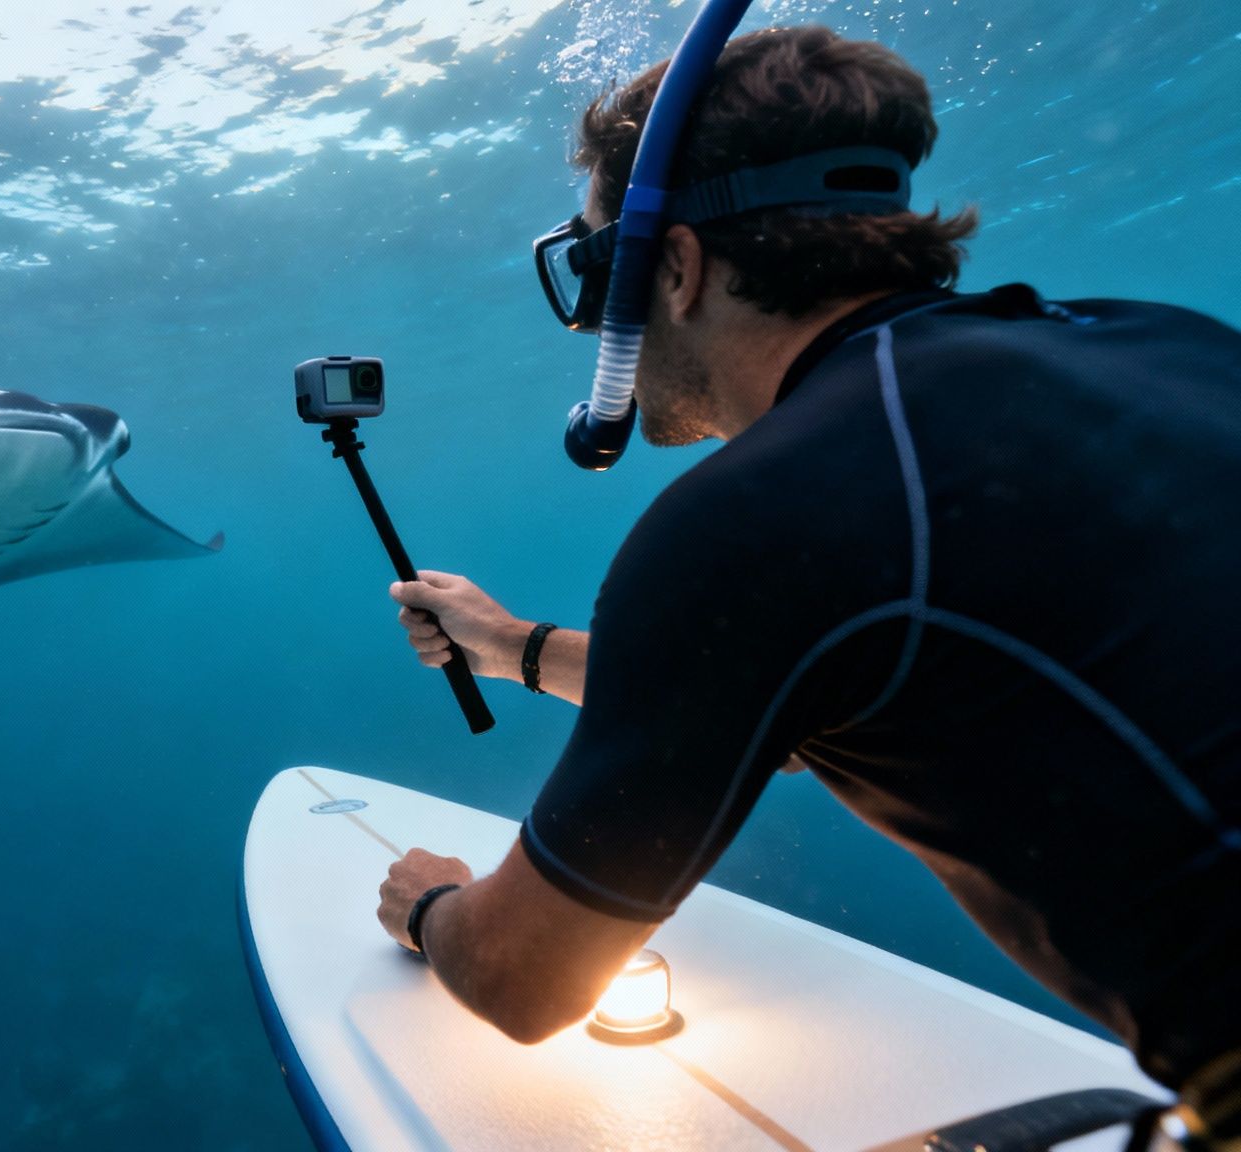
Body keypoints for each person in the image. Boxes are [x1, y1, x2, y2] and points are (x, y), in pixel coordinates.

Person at [371, 24, 1239, 1146]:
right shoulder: (1170, 349)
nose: (600, 321)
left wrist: (433, 906)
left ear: (674, 268)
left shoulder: (757, 511)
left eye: (597, 273)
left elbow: (521, 980)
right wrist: (510, 646)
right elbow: (789, 697)